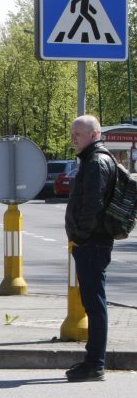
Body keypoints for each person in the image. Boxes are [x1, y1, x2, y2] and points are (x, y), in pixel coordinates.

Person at [65, 114, 116, 382]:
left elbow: (92, 205)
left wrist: (81, 236)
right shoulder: (93, 159)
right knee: (93, 303)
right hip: (93, 241)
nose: (74, 137)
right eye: (73, 133)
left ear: (95, 135)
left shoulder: (96, 162)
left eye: (80, 133)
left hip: (93, 243)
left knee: (95, 304)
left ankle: (95, 364)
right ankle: (91, 360)